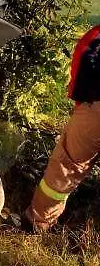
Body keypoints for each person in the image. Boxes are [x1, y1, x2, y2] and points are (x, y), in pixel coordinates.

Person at [23, 25, 100, 232]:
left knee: (67, 167)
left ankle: (38, 222)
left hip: (95, 110)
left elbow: (82, 63)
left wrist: (84, 104)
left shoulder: (97, 37)